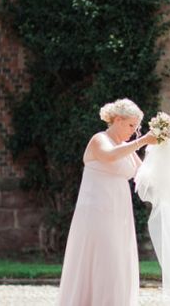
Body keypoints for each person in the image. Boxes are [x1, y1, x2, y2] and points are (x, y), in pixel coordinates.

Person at [58, 98, 157, 306]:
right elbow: (109, 156)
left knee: (118, 261)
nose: (133, 131)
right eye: (131, 125)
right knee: (104, 259)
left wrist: (162, 152)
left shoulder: (125, 147)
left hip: (119, 212)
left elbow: (144, 174)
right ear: (118, 120)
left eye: (136, 128)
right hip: (96, 211)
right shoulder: (99, 139)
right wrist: (142, 142)